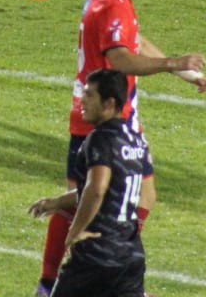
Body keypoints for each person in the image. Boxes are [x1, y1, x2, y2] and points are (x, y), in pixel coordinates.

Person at [34, 0, 206, 297]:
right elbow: (120, 58)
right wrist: (172, 63)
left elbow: (135, 41)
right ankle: (60, 281)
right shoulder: (111, 5)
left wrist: (183, 71)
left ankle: (103, 272)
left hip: (118, 117)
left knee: (137, 196)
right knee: (86, 198)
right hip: (99, 118)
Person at [28, 69, 149, 297]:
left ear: (109, 103)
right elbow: (111, 188)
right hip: (129, 254)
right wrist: (57, 202)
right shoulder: (135, 139)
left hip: (96, 255)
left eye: (90, 95)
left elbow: (96, 189)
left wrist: (75, 232)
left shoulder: (100, 139)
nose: (81, 100)